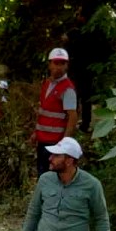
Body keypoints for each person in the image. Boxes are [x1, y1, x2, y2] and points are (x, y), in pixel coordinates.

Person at [32, 48, 78, 176]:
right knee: (42, 172)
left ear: (66, 66)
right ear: (50, 64)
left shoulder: (67, 89)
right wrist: (36, 133)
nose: (58, 67)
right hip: (43, 139)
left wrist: (64, 143)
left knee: (50, 174)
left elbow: (72, 117)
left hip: (55, 142)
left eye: (62, 64)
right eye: (56, 63)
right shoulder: (47, 83)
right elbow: (43, 111)